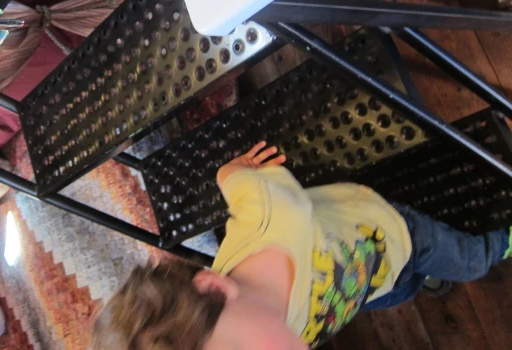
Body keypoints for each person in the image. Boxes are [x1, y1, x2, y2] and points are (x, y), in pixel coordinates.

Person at [92, 141, 512, 350]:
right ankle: (417, 280)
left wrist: (231, 171)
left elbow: (244, 187)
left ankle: (501, 243)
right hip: (357, 288)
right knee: (403, 289)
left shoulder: (274, 217)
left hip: (394, 230)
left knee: (471, 261)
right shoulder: (258, 328)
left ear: (215, 288)